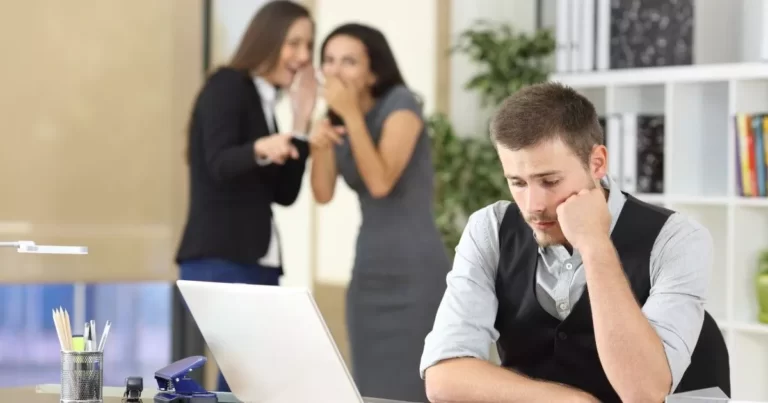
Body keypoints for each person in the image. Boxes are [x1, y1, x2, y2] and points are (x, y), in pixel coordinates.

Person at [420, 82, 715, 403]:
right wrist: (570, 401)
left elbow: (644, 393)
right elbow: (443, 378)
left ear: (597, 163)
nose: (532, 204)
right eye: (517, 183)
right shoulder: (490, 228)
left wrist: (595, 244)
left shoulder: (677, 239)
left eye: (550, 181)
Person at [174, 0, 317, 392]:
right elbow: (218, 162)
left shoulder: (266, 100)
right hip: (222, 258)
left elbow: (284, 194)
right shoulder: (227, 86)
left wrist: (301, 122)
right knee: (244, 379)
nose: (304, 56)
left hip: (259, 262)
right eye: (294, 43)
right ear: (267, 39)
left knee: (248, 381)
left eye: (309, 45)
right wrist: (262, 147)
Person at [310, 23, 450, 402]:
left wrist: (351, 117)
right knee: (369, 389)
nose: (336, 71)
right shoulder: (337, 118)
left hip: (415, 273)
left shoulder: (402, 104)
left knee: (415, 388)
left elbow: (381, 182)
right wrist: (319, 144)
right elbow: (322, 193)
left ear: (373, 70)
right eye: (330, 61)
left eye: (349, 61)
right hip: (369, 272)